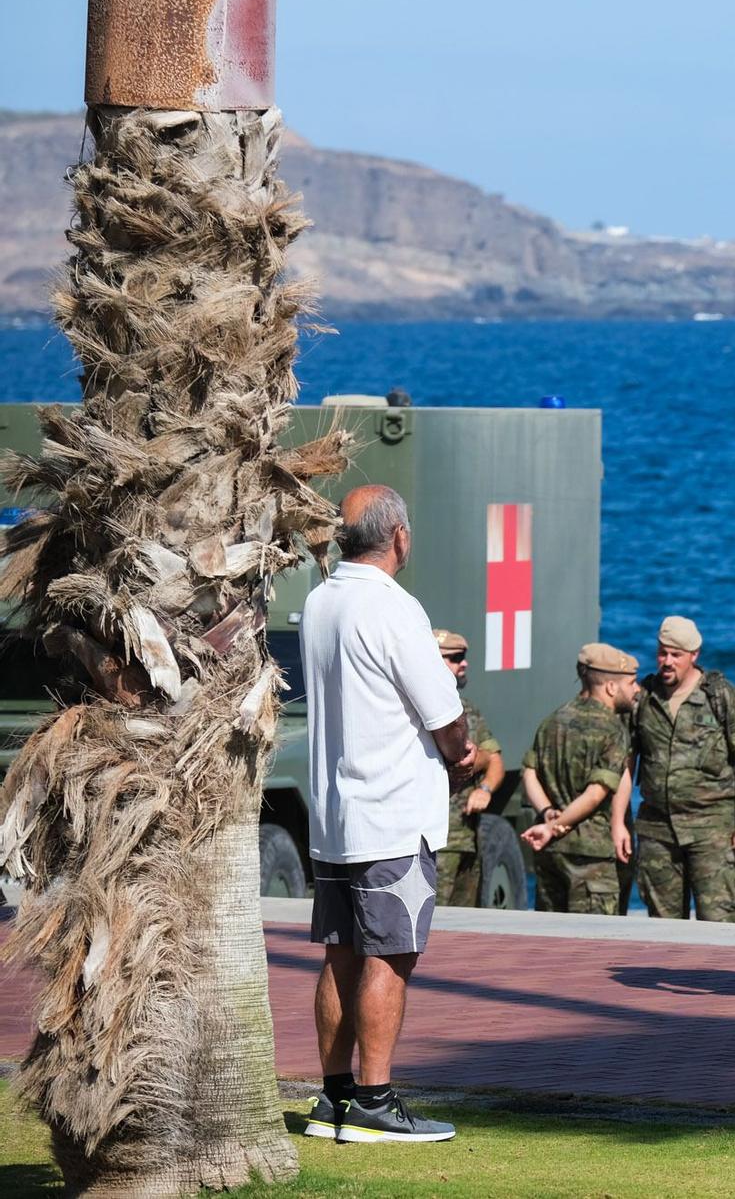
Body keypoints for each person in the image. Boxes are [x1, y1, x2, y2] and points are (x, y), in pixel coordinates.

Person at [302, 485, 472, 1144]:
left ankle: (336, 1098)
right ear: (398, 536)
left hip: (335, 814)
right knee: (389, 957)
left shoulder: (320, 601)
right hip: (394, 812)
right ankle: (373, 1102)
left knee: (340, 954)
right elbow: (445, 718)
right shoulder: (395, 609)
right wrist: (466, 756)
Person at [610, 615, 735, 921]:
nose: (667, 661)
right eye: (662, 653)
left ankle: (713, 972)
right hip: (657, 830)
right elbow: (626, 765)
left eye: (676, 655)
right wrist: (618, 822)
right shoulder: (645, 698)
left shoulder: (719, 695)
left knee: (718, 921)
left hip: (711, 830)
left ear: (694, 655)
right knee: (663, 925)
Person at [519, 644, 640, 913]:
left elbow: (529, 773)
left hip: (551, 854)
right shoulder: (613, 729)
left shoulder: (553, 721)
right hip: (591, 858)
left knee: (552, 942)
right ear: (610, 687)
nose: (637, 690)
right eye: (631, 683)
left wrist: (548, 813)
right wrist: (555, 825)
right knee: (595, 945)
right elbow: (596, 793)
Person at [430, 628, 505, 909]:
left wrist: (485, 788)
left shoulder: (467, 710)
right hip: (433, 839)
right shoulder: (414, 711)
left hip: (464, 837)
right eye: (455, 658)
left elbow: (494, 759)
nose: (464, 663)